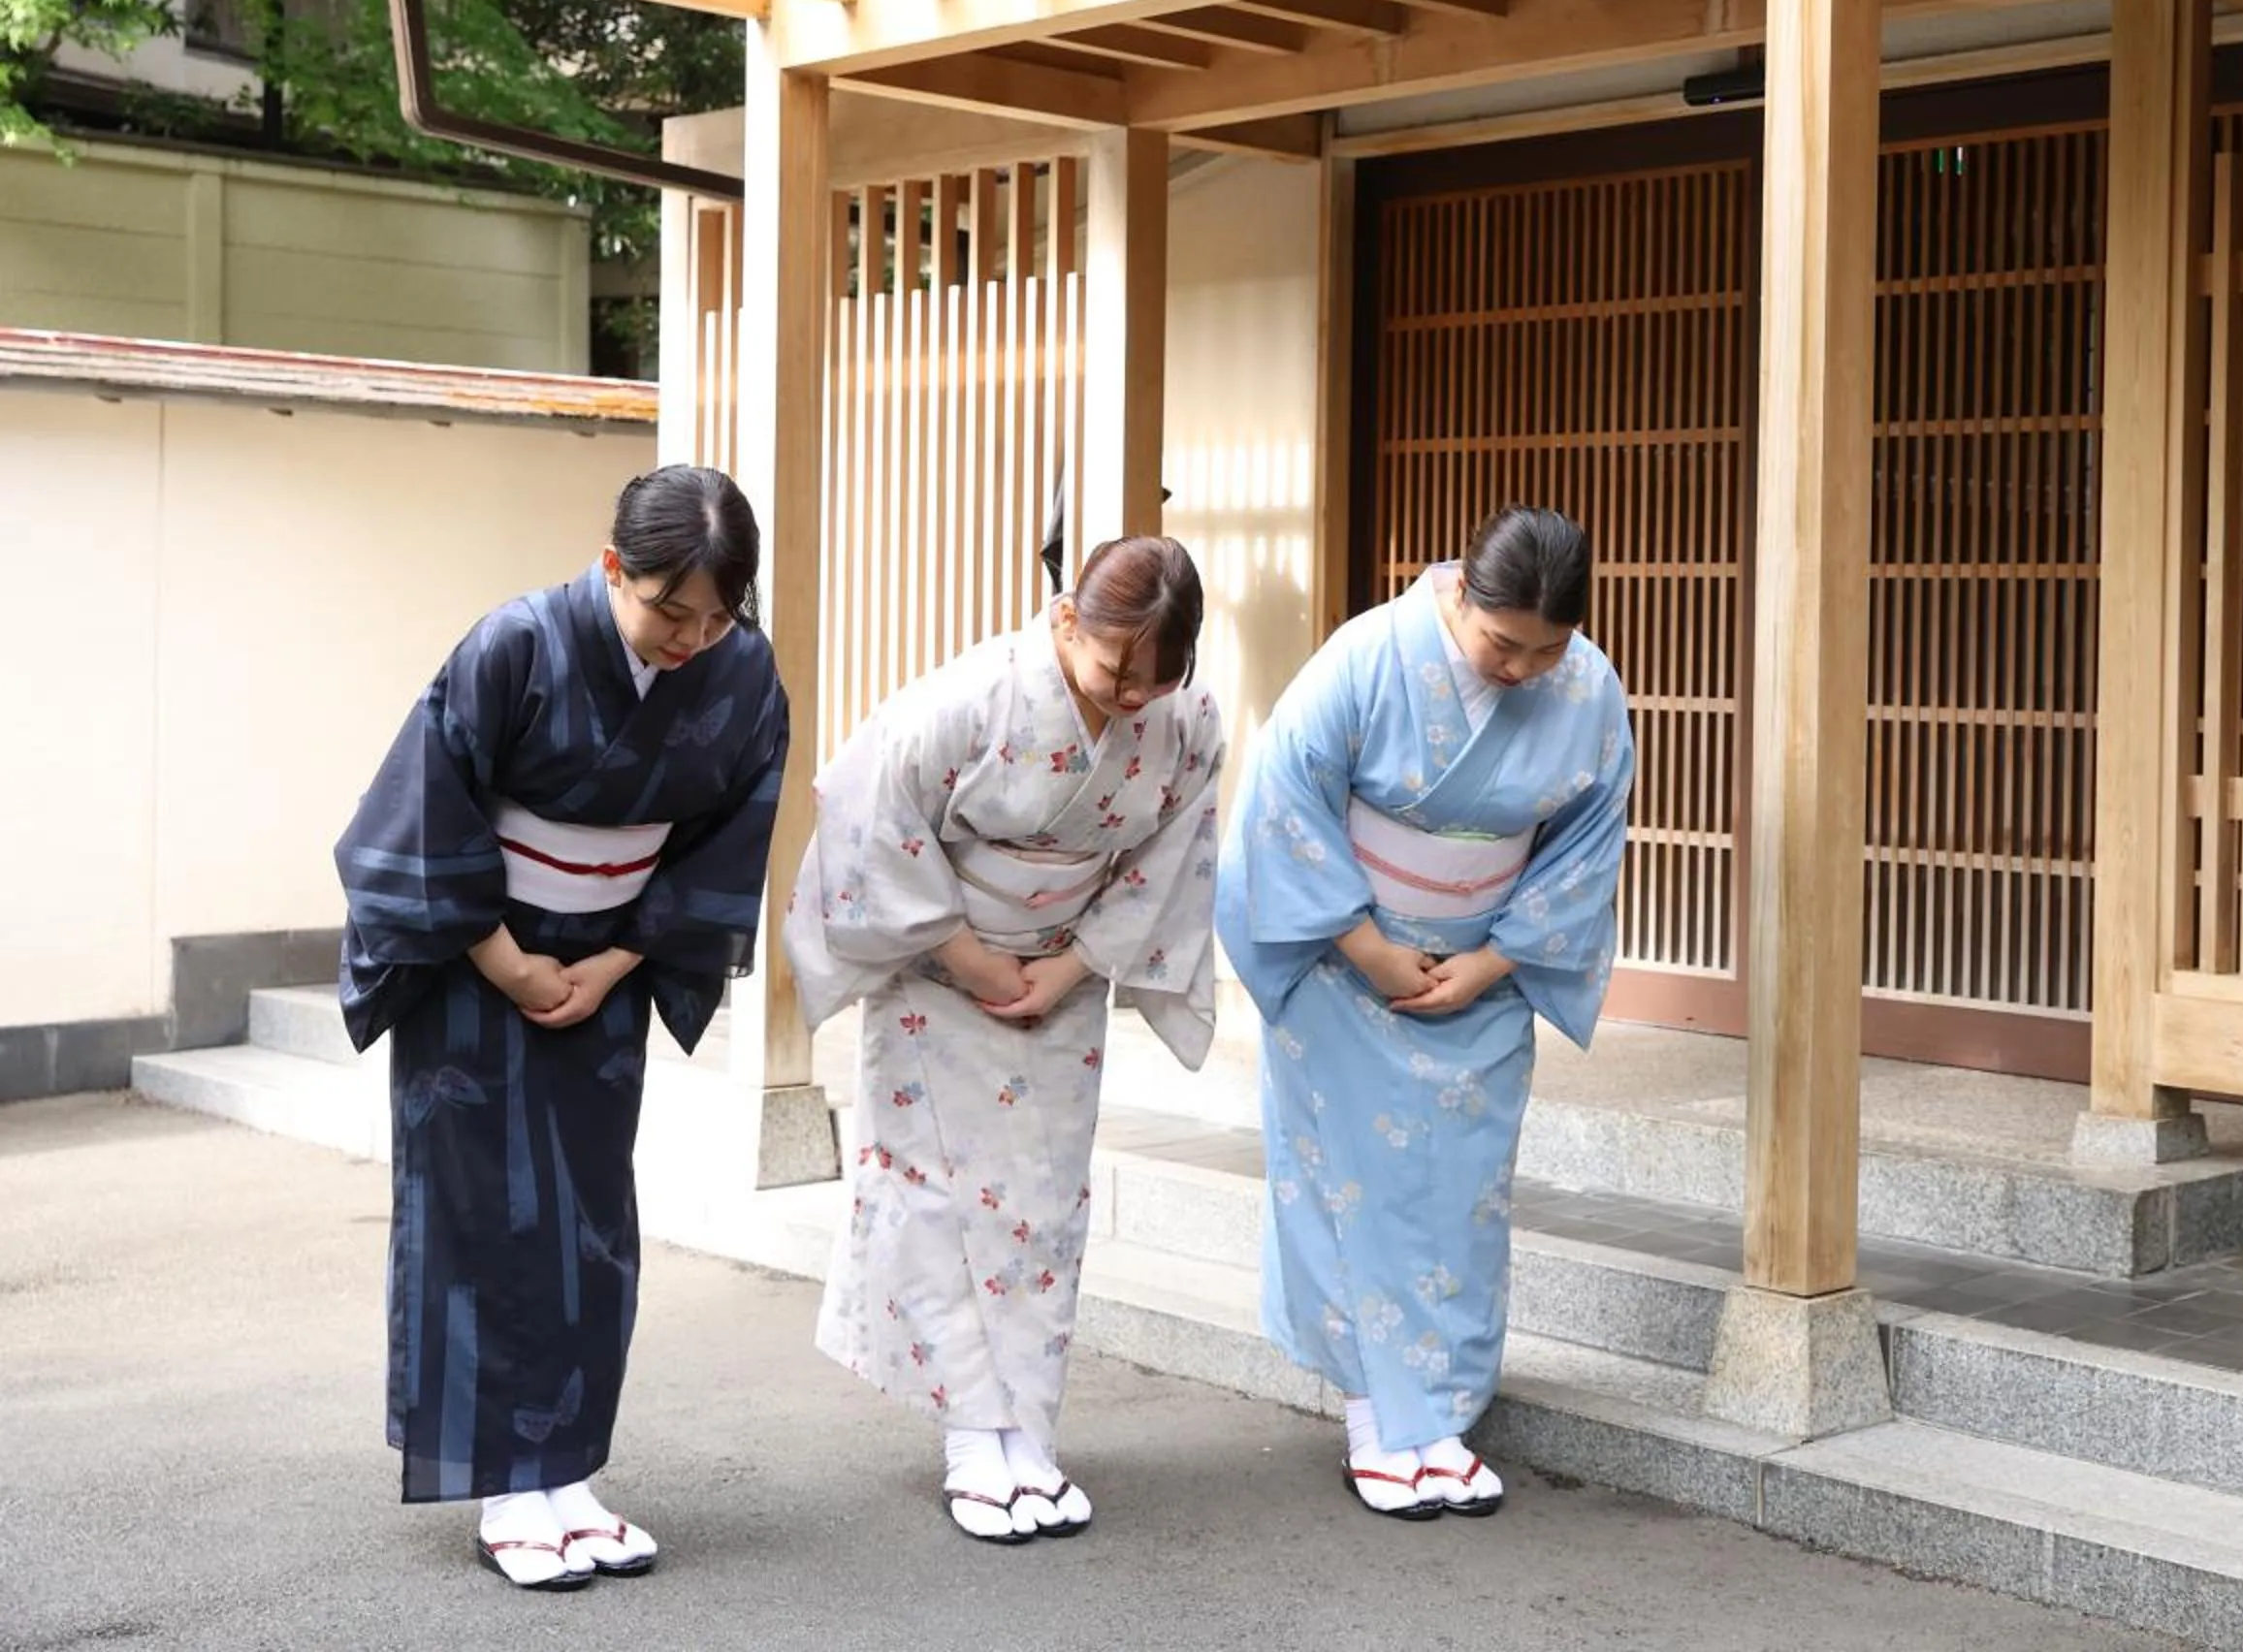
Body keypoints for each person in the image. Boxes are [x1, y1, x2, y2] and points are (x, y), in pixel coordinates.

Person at [333, 463, 791, 1591]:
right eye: (666, 608)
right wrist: (509, 960)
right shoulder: (516, 644)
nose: (692, 635)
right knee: (486, 1215)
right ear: (610, 568)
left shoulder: (743, 674)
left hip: (604, 970)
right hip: (474, 963)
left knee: (589, 1220)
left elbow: (732, 833)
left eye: (717, 614)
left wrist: (616, 960)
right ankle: (504, 1485)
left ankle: (569, 1473)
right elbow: (421, 802)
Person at [785, 536, 1225, 1543]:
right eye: (1116, 669)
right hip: (941, 967)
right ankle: (971, 1436)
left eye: (1153, 683)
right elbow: (864, 809)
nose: (1130, 698)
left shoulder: (1187, 724)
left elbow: (1171, 850)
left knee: (1042, 1203)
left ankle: (1028, 1429)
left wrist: (1070, 967)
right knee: (938, 1194)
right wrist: (973, 957)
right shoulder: (972, 699)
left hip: (1061, 975)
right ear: (1068, 620)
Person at [1216, 505, 1634, 1520]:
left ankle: (1439, 1417)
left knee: (1462, 1195)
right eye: (1501, 642)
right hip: (1345, 965)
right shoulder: (1368, 656)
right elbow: (1282, 803)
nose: (1522, 667)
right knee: (1347, 1184)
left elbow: (1587, 844)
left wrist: (1492, 960)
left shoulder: (1588, 688)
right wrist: (1367, 945)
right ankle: (1377, 1417)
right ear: (1457, 595)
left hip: (1481, 971)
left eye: (1547, 647)